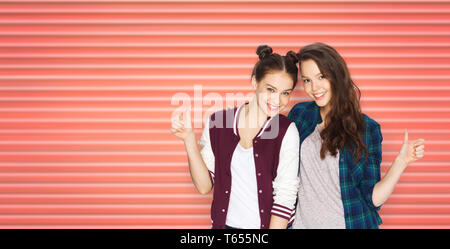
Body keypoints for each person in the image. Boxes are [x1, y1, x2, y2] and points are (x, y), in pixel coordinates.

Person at [288, 42, 425, 229]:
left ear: (336, 75)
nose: (314, 87)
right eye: (307, 80)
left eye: (321, 76)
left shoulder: (367, 128)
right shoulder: (300, 115)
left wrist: (401, 161)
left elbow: (373, 199)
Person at [171, 45, 300, 229]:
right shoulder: (218, 122)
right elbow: (204, 186)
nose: (277, 100)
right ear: (255, 82)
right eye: (270, 89)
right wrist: (189, 140)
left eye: (285, 93)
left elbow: (285, 197)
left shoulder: (287, 131)